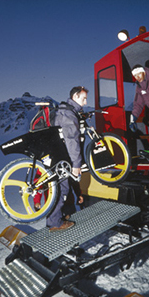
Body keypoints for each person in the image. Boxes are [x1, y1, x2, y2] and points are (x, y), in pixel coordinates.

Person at [46, 86, 87, 231]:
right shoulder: (69, 115)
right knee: (62, 188)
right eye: (83, 98)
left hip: (56, 155)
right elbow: (72, 140)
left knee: (61, 188)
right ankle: (55, 223)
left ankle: (56, 217)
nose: (85, 102)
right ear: (75, 97)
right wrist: (76, 164)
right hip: (60, 157)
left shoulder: (65, 110)